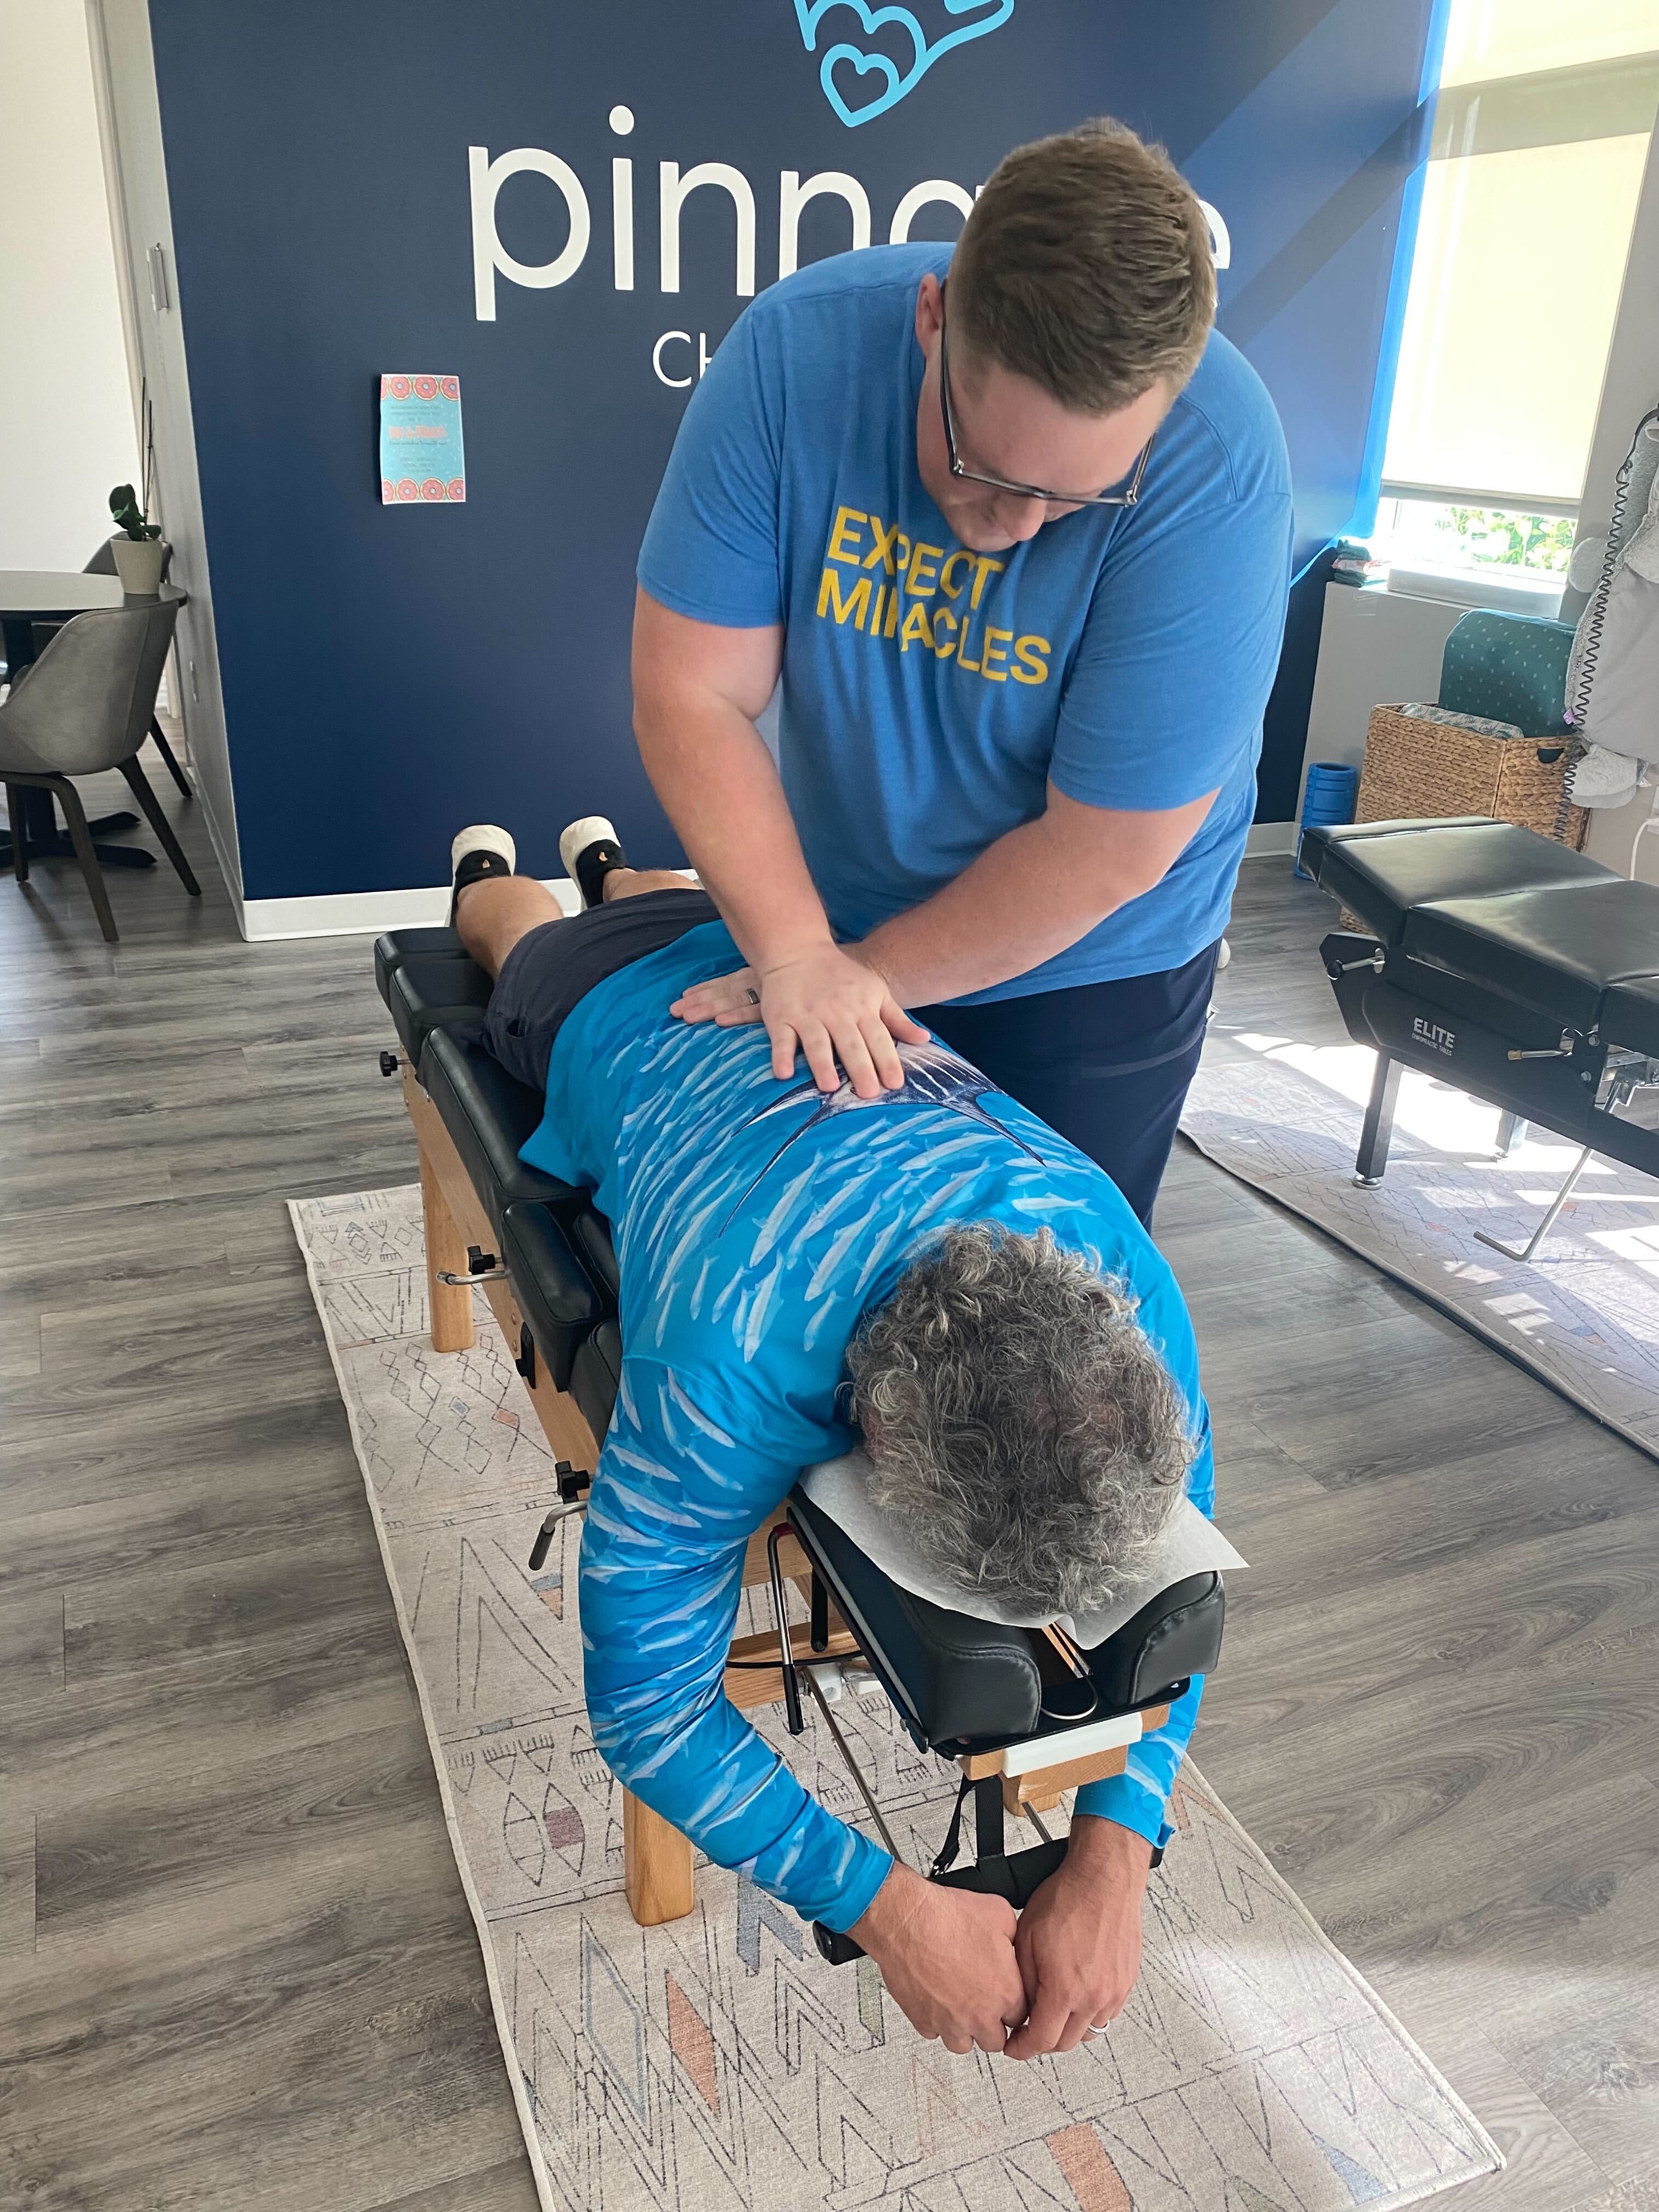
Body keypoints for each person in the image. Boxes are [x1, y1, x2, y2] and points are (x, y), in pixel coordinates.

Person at [448, 819, 1220, 2061]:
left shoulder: (1125, 1285)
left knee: (678, 898)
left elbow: (1188, 1560)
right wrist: (885, 1912)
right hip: (613, 1009)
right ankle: (497, 867)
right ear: (870, 1427)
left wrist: (1119, 1851)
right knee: (523, 935)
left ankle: (620, 864)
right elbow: (647, 1709)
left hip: (769, 959)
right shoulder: (726, 1357)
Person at [629, 116, 1294, 1227]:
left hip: (1095, 960)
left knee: (1040, 1327)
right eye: (987, 470)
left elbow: (1106, 848)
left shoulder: (1218, 465)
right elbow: (693, 690)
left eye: (1080, 496)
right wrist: (802, 953)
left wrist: (863, 978)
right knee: (824, 1267)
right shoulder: (794, 359)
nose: (1024, 527)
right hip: (844, 899)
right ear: (933, 318)